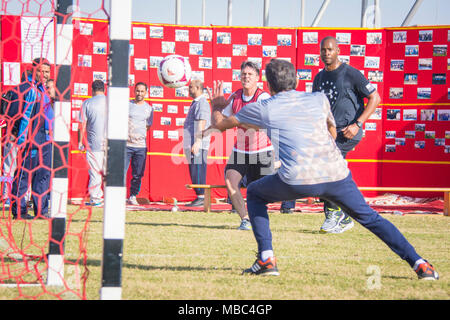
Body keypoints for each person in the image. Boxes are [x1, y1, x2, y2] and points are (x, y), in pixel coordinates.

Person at [203, 58, 439, 280]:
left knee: (254, 193)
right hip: (335, 173)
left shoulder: (264, 107)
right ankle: (420, 264)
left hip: (297, 178)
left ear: (269, 86)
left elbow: (220, 125)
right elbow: (331, 130)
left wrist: (217, 105)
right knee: (370, 218)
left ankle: (266, 259)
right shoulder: (319, 99)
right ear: (295, 81)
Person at [312, 36, 381, 234]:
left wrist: (358, 124)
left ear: (338, 51)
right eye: (323, 50)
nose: (326, 53)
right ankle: (345, 216)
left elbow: (375, 98)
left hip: (347, 132)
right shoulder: (319, 78)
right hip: (328, 135)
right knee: (327, 171)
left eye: (330, 50)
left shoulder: (351, 73)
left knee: (329, 168)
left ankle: (334, 213)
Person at [211, 60, 272, 231]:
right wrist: (215, 107)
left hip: (262, 150)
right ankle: (245, 219)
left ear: (257, 78)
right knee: (231, 181)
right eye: (243, 74)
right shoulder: (235, 96)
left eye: (250, 74)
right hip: (241, 150)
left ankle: (256, 219)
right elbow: (219, 124)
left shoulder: (263, 98)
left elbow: (263, 125)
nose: (246, 77)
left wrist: (237, 121)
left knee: (258, 193)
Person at [8, 58, 54, 219]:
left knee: (43, 176)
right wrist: (15, 134)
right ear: (34, 70)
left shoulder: (43, 90)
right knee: (23, 175)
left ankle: (41, 211)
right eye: (43, 71)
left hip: (46, 140)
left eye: (48, 71)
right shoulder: (26, 89)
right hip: (30, 140)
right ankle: (19, 211)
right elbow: (12, 112)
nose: (46, 74)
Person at [78, 80, 107, 206]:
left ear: (92, 89)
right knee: (109, 173)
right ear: (104, 89)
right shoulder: (111, 102)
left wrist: (80, 142)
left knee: (95, 172)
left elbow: (82, 124)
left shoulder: (87, 103)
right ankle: (109, 197)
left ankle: (96, 199)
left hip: (93, 144)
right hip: (111, 144)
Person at [183, 80, 211, 207]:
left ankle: (201, 197)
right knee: (193, 170)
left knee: (198, 170)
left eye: (191, 87)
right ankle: (198, 196)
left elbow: (202, 122)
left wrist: (198, 142)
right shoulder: (195, 103)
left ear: (198, 88)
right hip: (192, 143)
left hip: (198, 144)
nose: (188, 89)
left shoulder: (202, 103)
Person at [125, 82, 153, 205]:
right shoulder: (127, 105)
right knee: (121, 171)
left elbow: (148, 126)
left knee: (138, 173)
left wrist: (138, 135)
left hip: (140, 146)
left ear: (146, 93)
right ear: (134, 91)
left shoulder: (149, 109)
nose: (139, 93)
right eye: (137, 91)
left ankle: (133, 195)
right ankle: (117, 195)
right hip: (126, 145)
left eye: (142, 91)